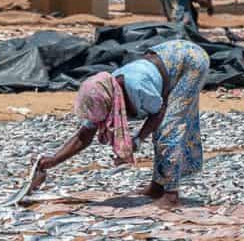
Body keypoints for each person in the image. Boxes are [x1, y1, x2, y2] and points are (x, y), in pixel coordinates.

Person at [32, 39, 210, 209]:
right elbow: (84, 136)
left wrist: (138, 139)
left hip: (190, 61)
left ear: (109, 102)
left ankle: (171, 195)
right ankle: (156, 188)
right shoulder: (103, 93)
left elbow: (158, 113)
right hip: (167, 56)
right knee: (161, 131)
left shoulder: (137, 86)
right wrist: (53, 160)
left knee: (167, 131)